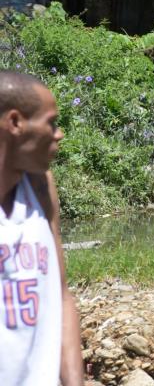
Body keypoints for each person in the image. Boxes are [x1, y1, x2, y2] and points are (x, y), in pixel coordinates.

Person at [0, 71, 84, 385]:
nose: (58, 134)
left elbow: (61, 296)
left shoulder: (39, 187)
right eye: (51, 123)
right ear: (15, 122)